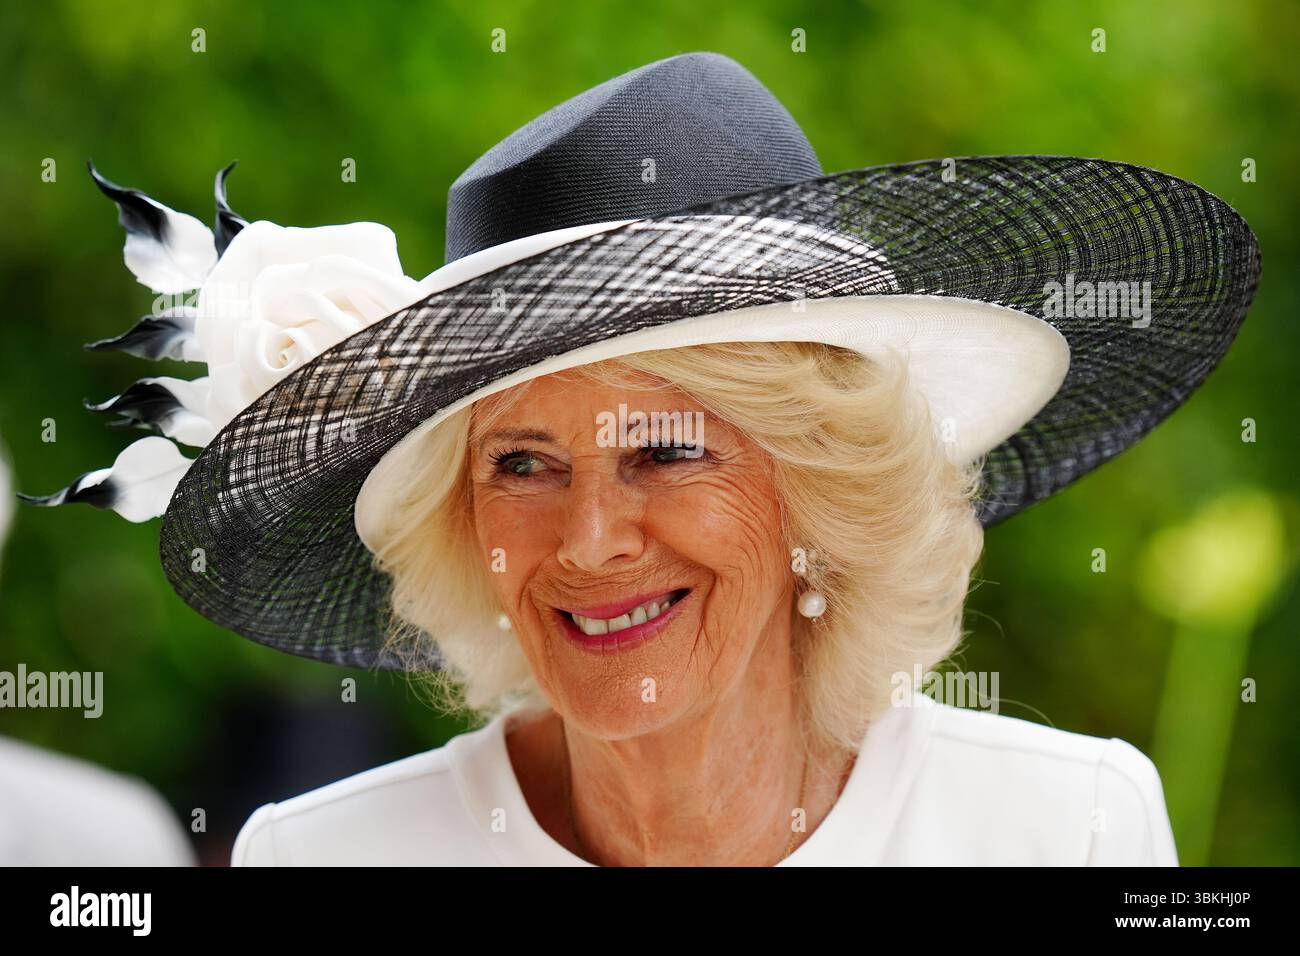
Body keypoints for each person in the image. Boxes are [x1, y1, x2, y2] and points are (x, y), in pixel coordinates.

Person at [22, 52, 1259, 866]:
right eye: (520, 463)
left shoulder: (1065, 826)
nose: (591, 538)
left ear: (812, 488)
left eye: (665, 451)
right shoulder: (329, 857)